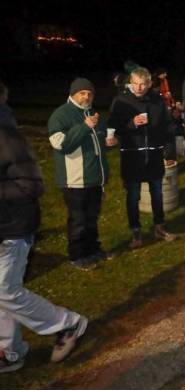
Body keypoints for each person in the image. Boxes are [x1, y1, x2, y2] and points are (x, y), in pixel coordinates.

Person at [1, 83, 89, 372]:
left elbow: (31, 184)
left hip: (12, 228)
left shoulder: (7, 137)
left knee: (5, 290)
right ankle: (9, 350)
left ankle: (67, 324)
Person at [48, 78, 117, 269]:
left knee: (92, 218)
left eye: (89, 93)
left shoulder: (94, 114)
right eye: (82, 93)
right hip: (75, 180)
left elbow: (98, 144)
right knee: (78, 220)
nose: (86, 96)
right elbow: (61, 144)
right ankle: (77, 256)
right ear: (73, 94)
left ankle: (93, 250)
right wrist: (84, 127)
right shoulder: (61, 115)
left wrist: (109, 144)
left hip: (95, 178)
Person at [108, 67, 177, 249]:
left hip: (154, 155)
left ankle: (159, 226)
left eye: (143, 84)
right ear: (130, 82)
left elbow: (168, 127)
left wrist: (169, 152)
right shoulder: (121, 101)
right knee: (133, 196)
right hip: (133, 156)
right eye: (135, 83)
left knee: (157, 193)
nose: (139, 87)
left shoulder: (157, 100)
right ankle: (136, 232)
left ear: (149, 84)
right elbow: (113, 128)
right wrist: (131, 124)